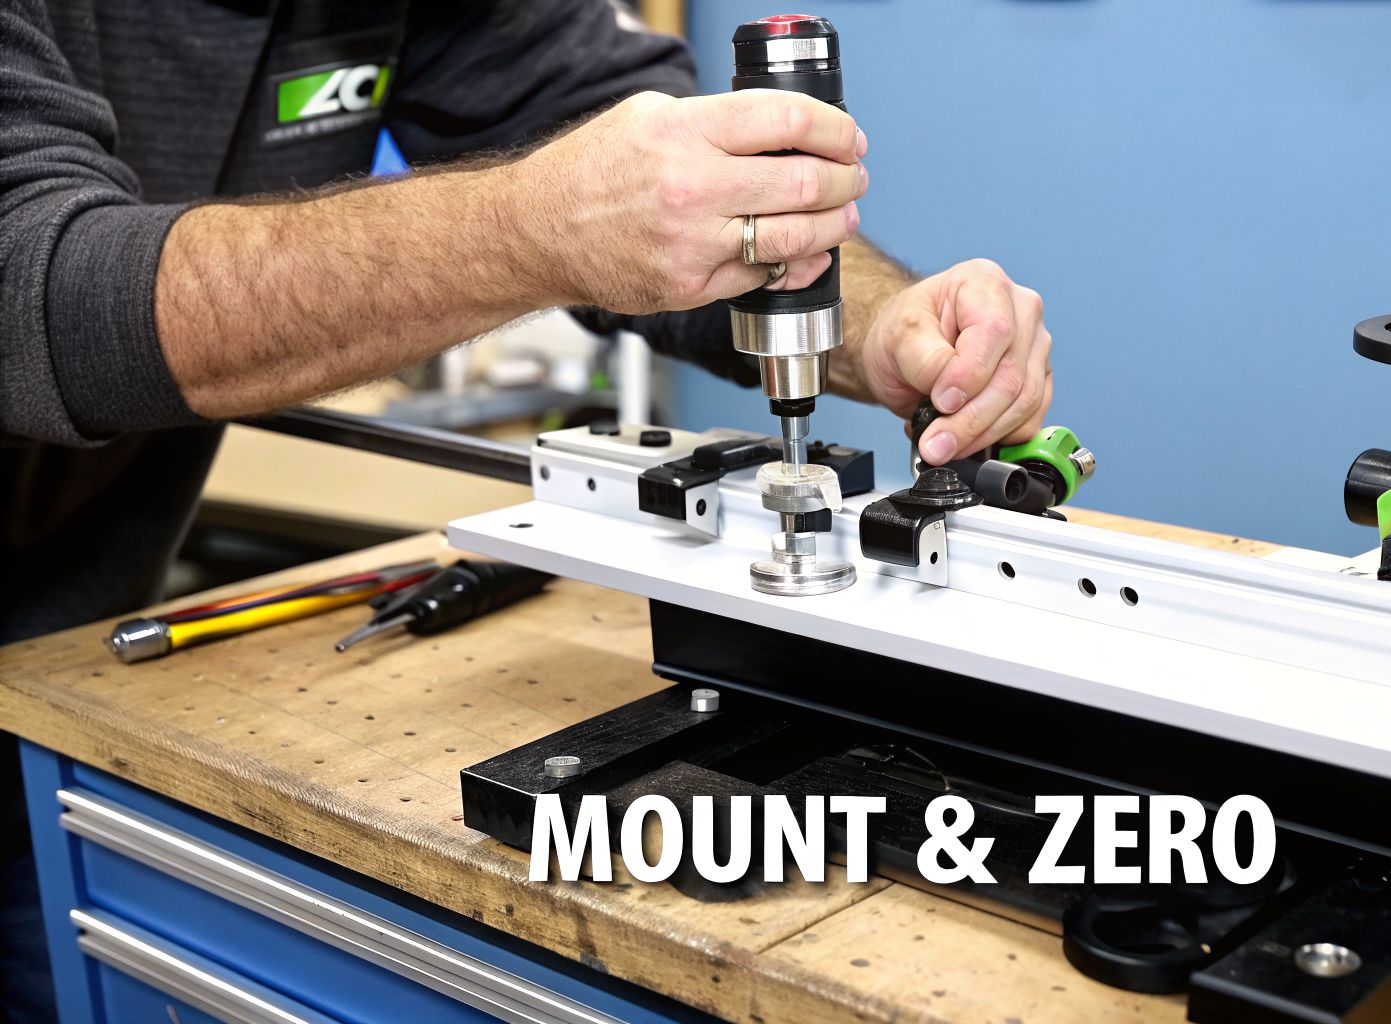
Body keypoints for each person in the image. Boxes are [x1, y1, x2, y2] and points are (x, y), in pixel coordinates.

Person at [0, 2, 1053, 1017]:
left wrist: (873, 324)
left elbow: (616, 129)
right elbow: (40, 290)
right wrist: (531, 227)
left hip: (57, 646)